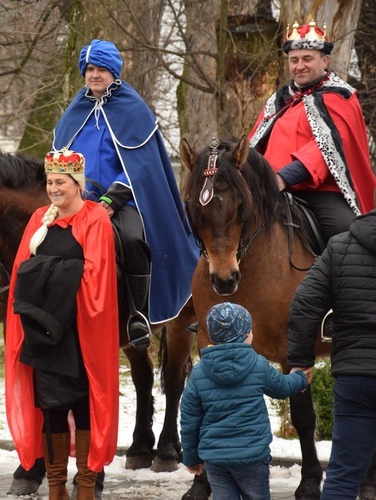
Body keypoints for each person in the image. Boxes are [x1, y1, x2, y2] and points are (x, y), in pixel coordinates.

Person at [52, 39, 197, 350]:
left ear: (113, 72)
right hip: (77, 200)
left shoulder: (133, 109)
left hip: (124, 200)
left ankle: (136, 315)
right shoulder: (75, 111)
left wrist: (109, 201)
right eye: (90, 69)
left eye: (101, 69)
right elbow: (61, 160)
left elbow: (140, 166)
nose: (94, 75)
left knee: (132, 240)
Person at [5, 150, 119, 500]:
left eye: (60, 183)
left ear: (77, 184)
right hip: (43, 329)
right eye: (50, 182)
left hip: (79, 329)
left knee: (83, 403)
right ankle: (56, 486)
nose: (53, 189)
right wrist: (52, 272)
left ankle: (85, 484)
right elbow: (22, 270)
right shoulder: (40, 217)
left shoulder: (95, 217)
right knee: (51, 405)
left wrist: (46, 271)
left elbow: (96, 275)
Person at [249, 20, 376, 243]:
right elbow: (253, 145)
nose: (300, 66)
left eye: (307, 59)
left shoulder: (340, 97)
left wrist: (284, 177)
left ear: (325, 60)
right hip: (269, 187)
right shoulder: (279, 100)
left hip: (320, 192)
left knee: (348, 239)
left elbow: (328, 146)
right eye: (294, 60)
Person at [288, 195, 376, 499]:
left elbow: (304, 302)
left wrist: (300, 360)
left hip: (355, 376)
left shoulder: (340, 245)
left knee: (342, 475)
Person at [180, 302, 309, 500]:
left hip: (215, 458)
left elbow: (189, 419)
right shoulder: (257, 364)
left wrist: (191, 457)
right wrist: (300, 378)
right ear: (246, 335)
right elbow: (282, 388)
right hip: (252, 455)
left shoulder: (199, 373)